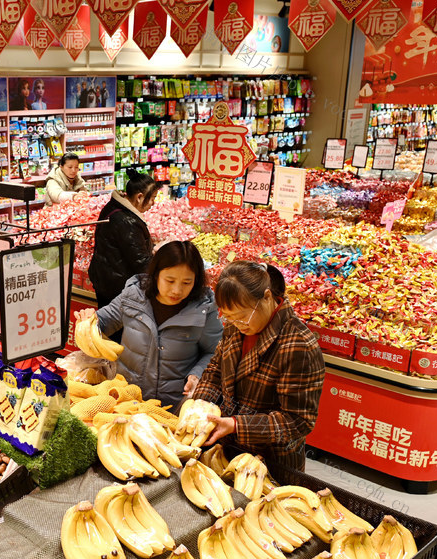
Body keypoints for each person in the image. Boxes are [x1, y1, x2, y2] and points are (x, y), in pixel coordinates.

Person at [193, 261, 325, 471]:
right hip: (226, 448)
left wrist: (236, 425)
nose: (237, 323)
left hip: (271, 461)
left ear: (267, 297)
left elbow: (298, 421)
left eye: (243, 316)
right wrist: (199, 407)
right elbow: (215, 373)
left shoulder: (298, 345)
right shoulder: (235, 328)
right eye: (229, 317)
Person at [75, 241, 222, 408]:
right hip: (127, 398)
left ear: (196, 281)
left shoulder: (204, 310)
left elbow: (214, 352)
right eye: (170, 280)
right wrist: (88, 320)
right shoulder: (133, 296)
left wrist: (196, 375)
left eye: (186, 283)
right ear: (156, 274)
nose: (176, 290)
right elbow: (105, 321)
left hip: (173, 405)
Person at [88, 170, 158, 308]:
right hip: (117, 287)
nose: (153, 203)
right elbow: (141, 262)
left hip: (106, 279)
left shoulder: (113, 206)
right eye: (152, 198)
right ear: (139, 197)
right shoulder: (127, 221)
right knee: (116, 327)